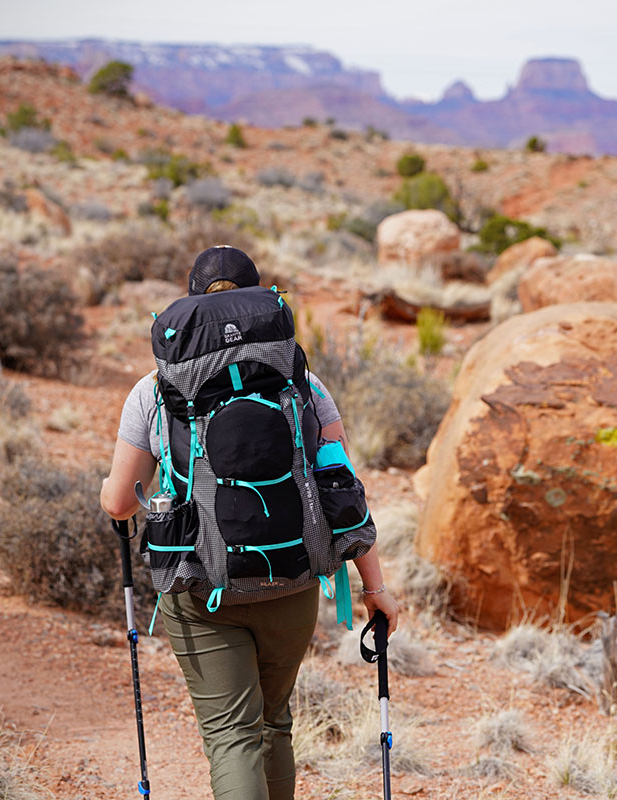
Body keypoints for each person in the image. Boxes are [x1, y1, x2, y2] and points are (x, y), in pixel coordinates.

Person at [100, 246, 399, 800]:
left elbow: (120, 503)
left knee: (232, 735)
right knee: (274, 723)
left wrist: (120, 493)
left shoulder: (154, 389)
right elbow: (341, 484)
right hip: (294, 579)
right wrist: (375, 587)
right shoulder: (302, 382)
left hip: (200, 586)